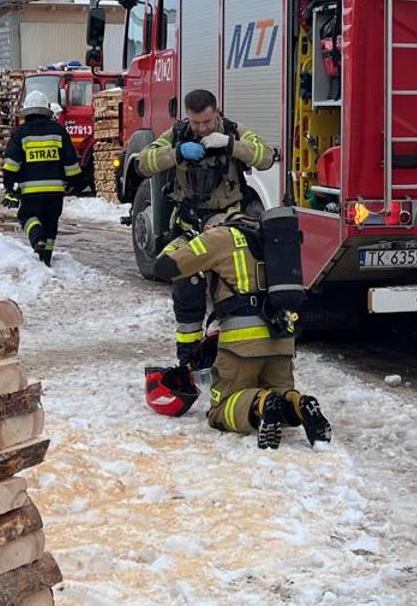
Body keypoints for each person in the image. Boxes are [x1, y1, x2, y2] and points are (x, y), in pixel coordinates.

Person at [151, 208, 329, 449]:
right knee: (280, 392)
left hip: (242, 343)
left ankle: (263, 403)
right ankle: (301, 404)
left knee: (221, 408)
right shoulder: (269, 238)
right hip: (282, 339)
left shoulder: (218, 237)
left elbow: (163, 266)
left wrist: (186, 238)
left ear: (209, 227)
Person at [136, 89, 277, 362]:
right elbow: (143, 163)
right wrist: (176, 153)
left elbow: (266, 157)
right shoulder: (177, 134)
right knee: (186, 296)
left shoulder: (234, 131)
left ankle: (230, 358)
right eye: (196, 122)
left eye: (207, 122)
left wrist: (231, 145)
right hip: (188, 226)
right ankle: (189, 359)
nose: (201, 128)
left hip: (227, 228)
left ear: (217, 112)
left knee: (232, 296)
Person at [0, 90, 80, 265]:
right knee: (50, 223)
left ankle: (37, 241)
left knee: (27, 216)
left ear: (27, 110)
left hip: (30, 191)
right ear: (46, 110)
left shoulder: (20, 133)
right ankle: (46, 259)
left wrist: (10, 188)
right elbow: (70, 162)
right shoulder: (59, 131)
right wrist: (74, 183)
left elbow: (11, 164)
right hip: (55, 191)